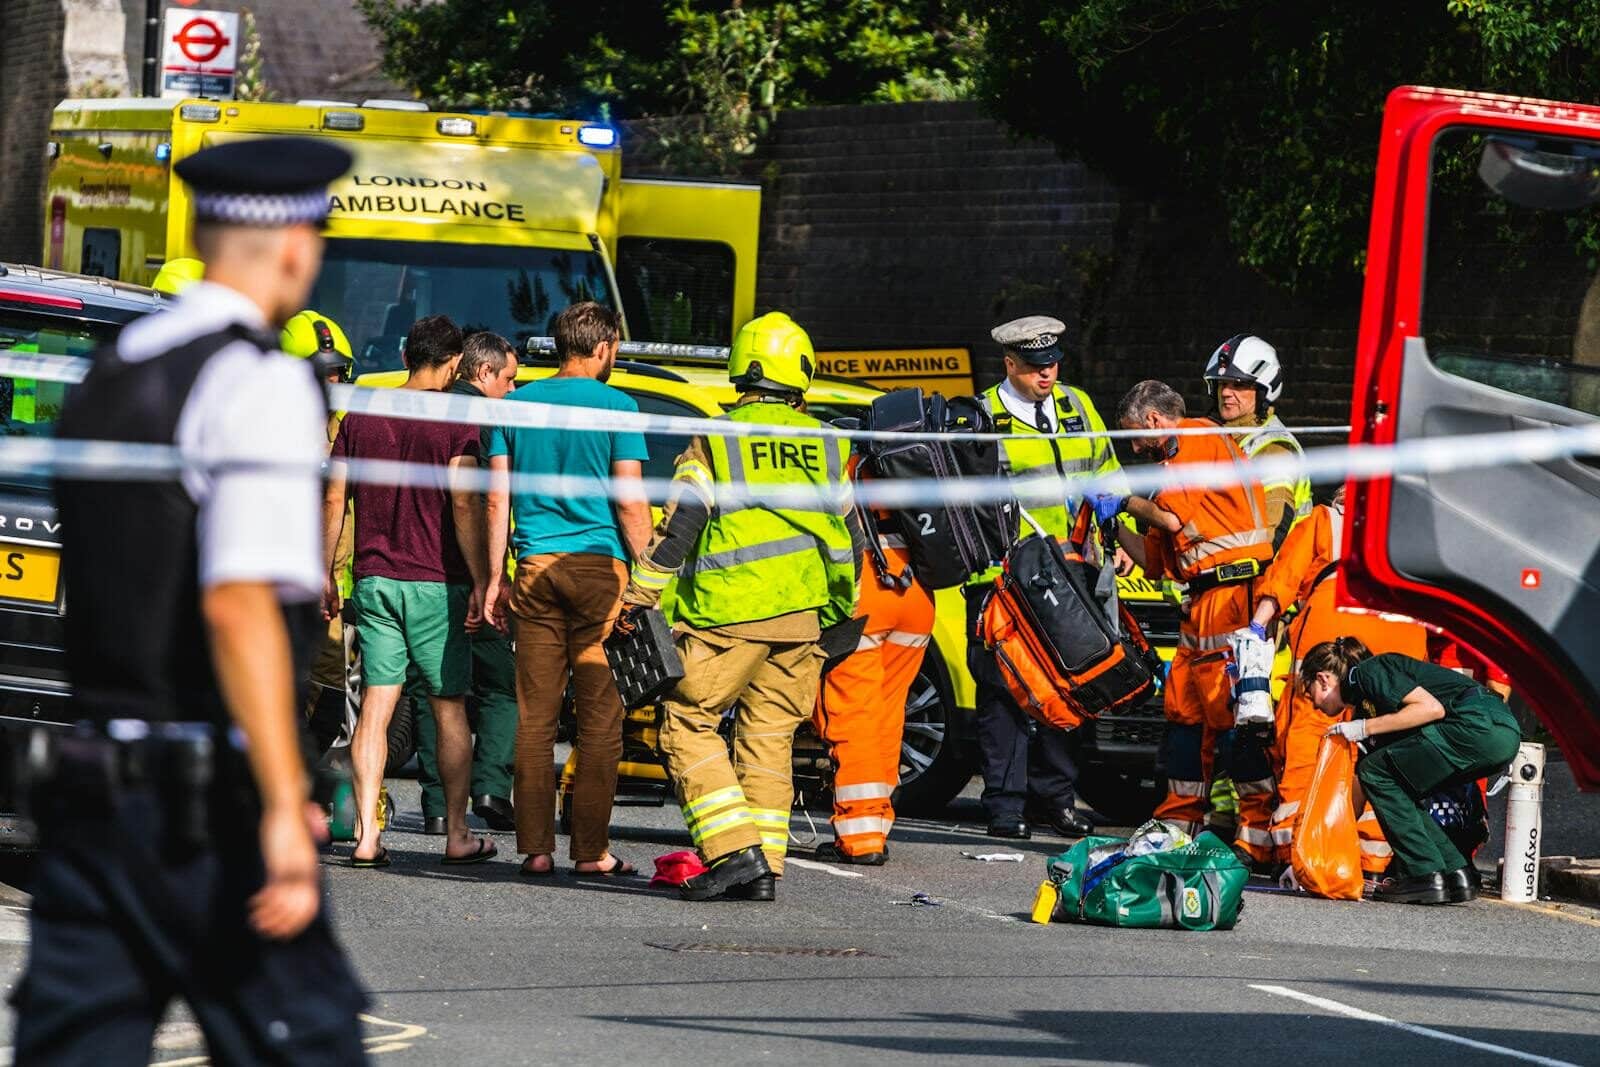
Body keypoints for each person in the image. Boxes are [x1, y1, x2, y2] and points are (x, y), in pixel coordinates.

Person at [18, 136, 367, 1062]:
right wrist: (286, 798)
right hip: (204, 805)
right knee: (306, 1042)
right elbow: (241, 603)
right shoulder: (256, 381)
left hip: (90, 788)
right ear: (295, 244)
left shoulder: (114, 369)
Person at [620, 311, 861, 901]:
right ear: (801, 372)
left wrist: (640, 593)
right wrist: (834, 613)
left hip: (729, 616)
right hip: (804, 618)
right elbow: (848, 541)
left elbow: (680, 524)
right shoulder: (828, 444)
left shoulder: (719, 438)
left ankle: (732, 853)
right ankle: (765, 869)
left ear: (741, 369)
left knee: (687, 724)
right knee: (769, 738)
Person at [484, 302, 652, 878]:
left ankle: (534, 849)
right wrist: (650, 572)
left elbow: (495, 497)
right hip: (600, 572)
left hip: (533, 568)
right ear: (603, 348)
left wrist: (492, 577)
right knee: (600, 721)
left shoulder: (516, 404)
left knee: (535, 717)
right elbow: (630, 503)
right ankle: (590, 851)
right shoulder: (621, 408)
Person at [324, 313, 497, 868]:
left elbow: (333, 499)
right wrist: (480, 580)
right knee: (448, 709)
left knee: (375, 706)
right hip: (435, 584)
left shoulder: (364, 414)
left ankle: (368, 835)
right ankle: (456, 835)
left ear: (405, 358)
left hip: (374, 581)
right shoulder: (455, 421)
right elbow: (466, 501)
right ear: (452, 365)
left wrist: (324, 572)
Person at [966, 315, 1123, 840]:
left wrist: (1114, 531)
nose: (1047, 374)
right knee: (1004, 690)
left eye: (1053, 363)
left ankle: (1054, 798)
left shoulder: (1076, 406)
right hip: (1005, 577)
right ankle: (1005, 808)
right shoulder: (982, 417)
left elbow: (1106, 471)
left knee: (1071, 685)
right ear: (1009, 364)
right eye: (1035, 366)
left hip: (1071, 571)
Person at [1114, 380, 1277, 871]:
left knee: (1235, 721)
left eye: (1133, 437)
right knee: (1185, 715)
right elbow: (1156, 562)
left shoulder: (1194, 437)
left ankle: (1259, 835)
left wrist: (1120, 499)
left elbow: (1165, 518)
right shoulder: (1176, 464)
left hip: (1231, 598)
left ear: (1152, 422)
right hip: (1204, 601)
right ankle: (1176, 826)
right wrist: (1115, 525)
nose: (1135, 448)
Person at [1246, 487, 1427, 876]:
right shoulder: (1418, 530)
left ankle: (1297, 848)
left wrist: (1256, 630)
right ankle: (1372, 855)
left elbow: (1281, 583)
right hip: (1405, 631)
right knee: (1389, 743)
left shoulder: (1325, 520)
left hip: (1335, 617)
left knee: (1313, 734)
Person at [1300, 638, 1522, 903]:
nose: (1313, 704)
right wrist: (1314, 861)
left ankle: (1424, 874)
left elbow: (1430, 708)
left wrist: (1364, 728)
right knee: (1397, 783)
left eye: (1309, 691)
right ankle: (1456, 873)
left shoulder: (1368, 672)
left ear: (1324, 679)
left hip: (1478, 726)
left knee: (1377, 771)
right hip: (1497, 732)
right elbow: (1361, 789)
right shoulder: (1370, 704)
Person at [411, 331, 521, 834]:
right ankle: (491, 785)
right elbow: (477, 503)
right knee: (502, 684)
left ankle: (436, 806)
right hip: (466, 577)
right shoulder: (483, 421)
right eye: (509, 380)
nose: (512, 393)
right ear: (482, 373)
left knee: (432, 688)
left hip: (418, 574)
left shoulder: (416, 409)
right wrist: (488, 581)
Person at [810, 462, 935, 865]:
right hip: (916, 595)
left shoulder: (845, 463)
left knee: (854, 716)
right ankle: (877, 824)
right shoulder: (911, 464)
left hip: (866, 592)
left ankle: (861, 837)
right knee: (887, 713)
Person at [280, 310, 360, 755]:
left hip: (330, 590)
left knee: (331, 687)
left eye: (338, 373)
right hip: (282, 584)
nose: (332, 384)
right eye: (321, 374)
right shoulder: (269, 429)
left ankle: (299, 768)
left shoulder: (342, 427)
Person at [1204, 334, 1311, 547]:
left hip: (1266, 578)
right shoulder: (1221, 437)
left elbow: (1271, 537)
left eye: (1238, 384)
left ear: (1263, 390)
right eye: (1222, 383)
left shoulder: (1273, 449)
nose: (1225, 392)